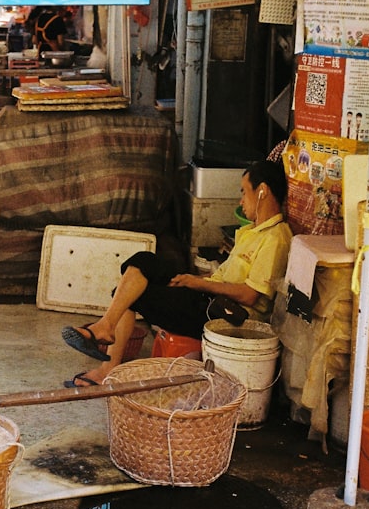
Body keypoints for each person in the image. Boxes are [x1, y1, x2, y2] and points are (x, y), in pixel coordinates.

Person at [61, 160, 292, 388]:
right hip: (208, 298)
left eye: (244, 192)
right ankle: (106, 326)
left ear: (262, 191)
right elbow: (223, 280)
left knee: (132, 296)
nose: (241, 201)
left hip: (227, 318)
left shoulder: (276, 237)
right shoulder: (252, 233)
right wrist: (193, 282)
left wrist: (198, 284)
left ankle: (106, 364)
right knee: (144, 260)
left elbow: (250, 296)